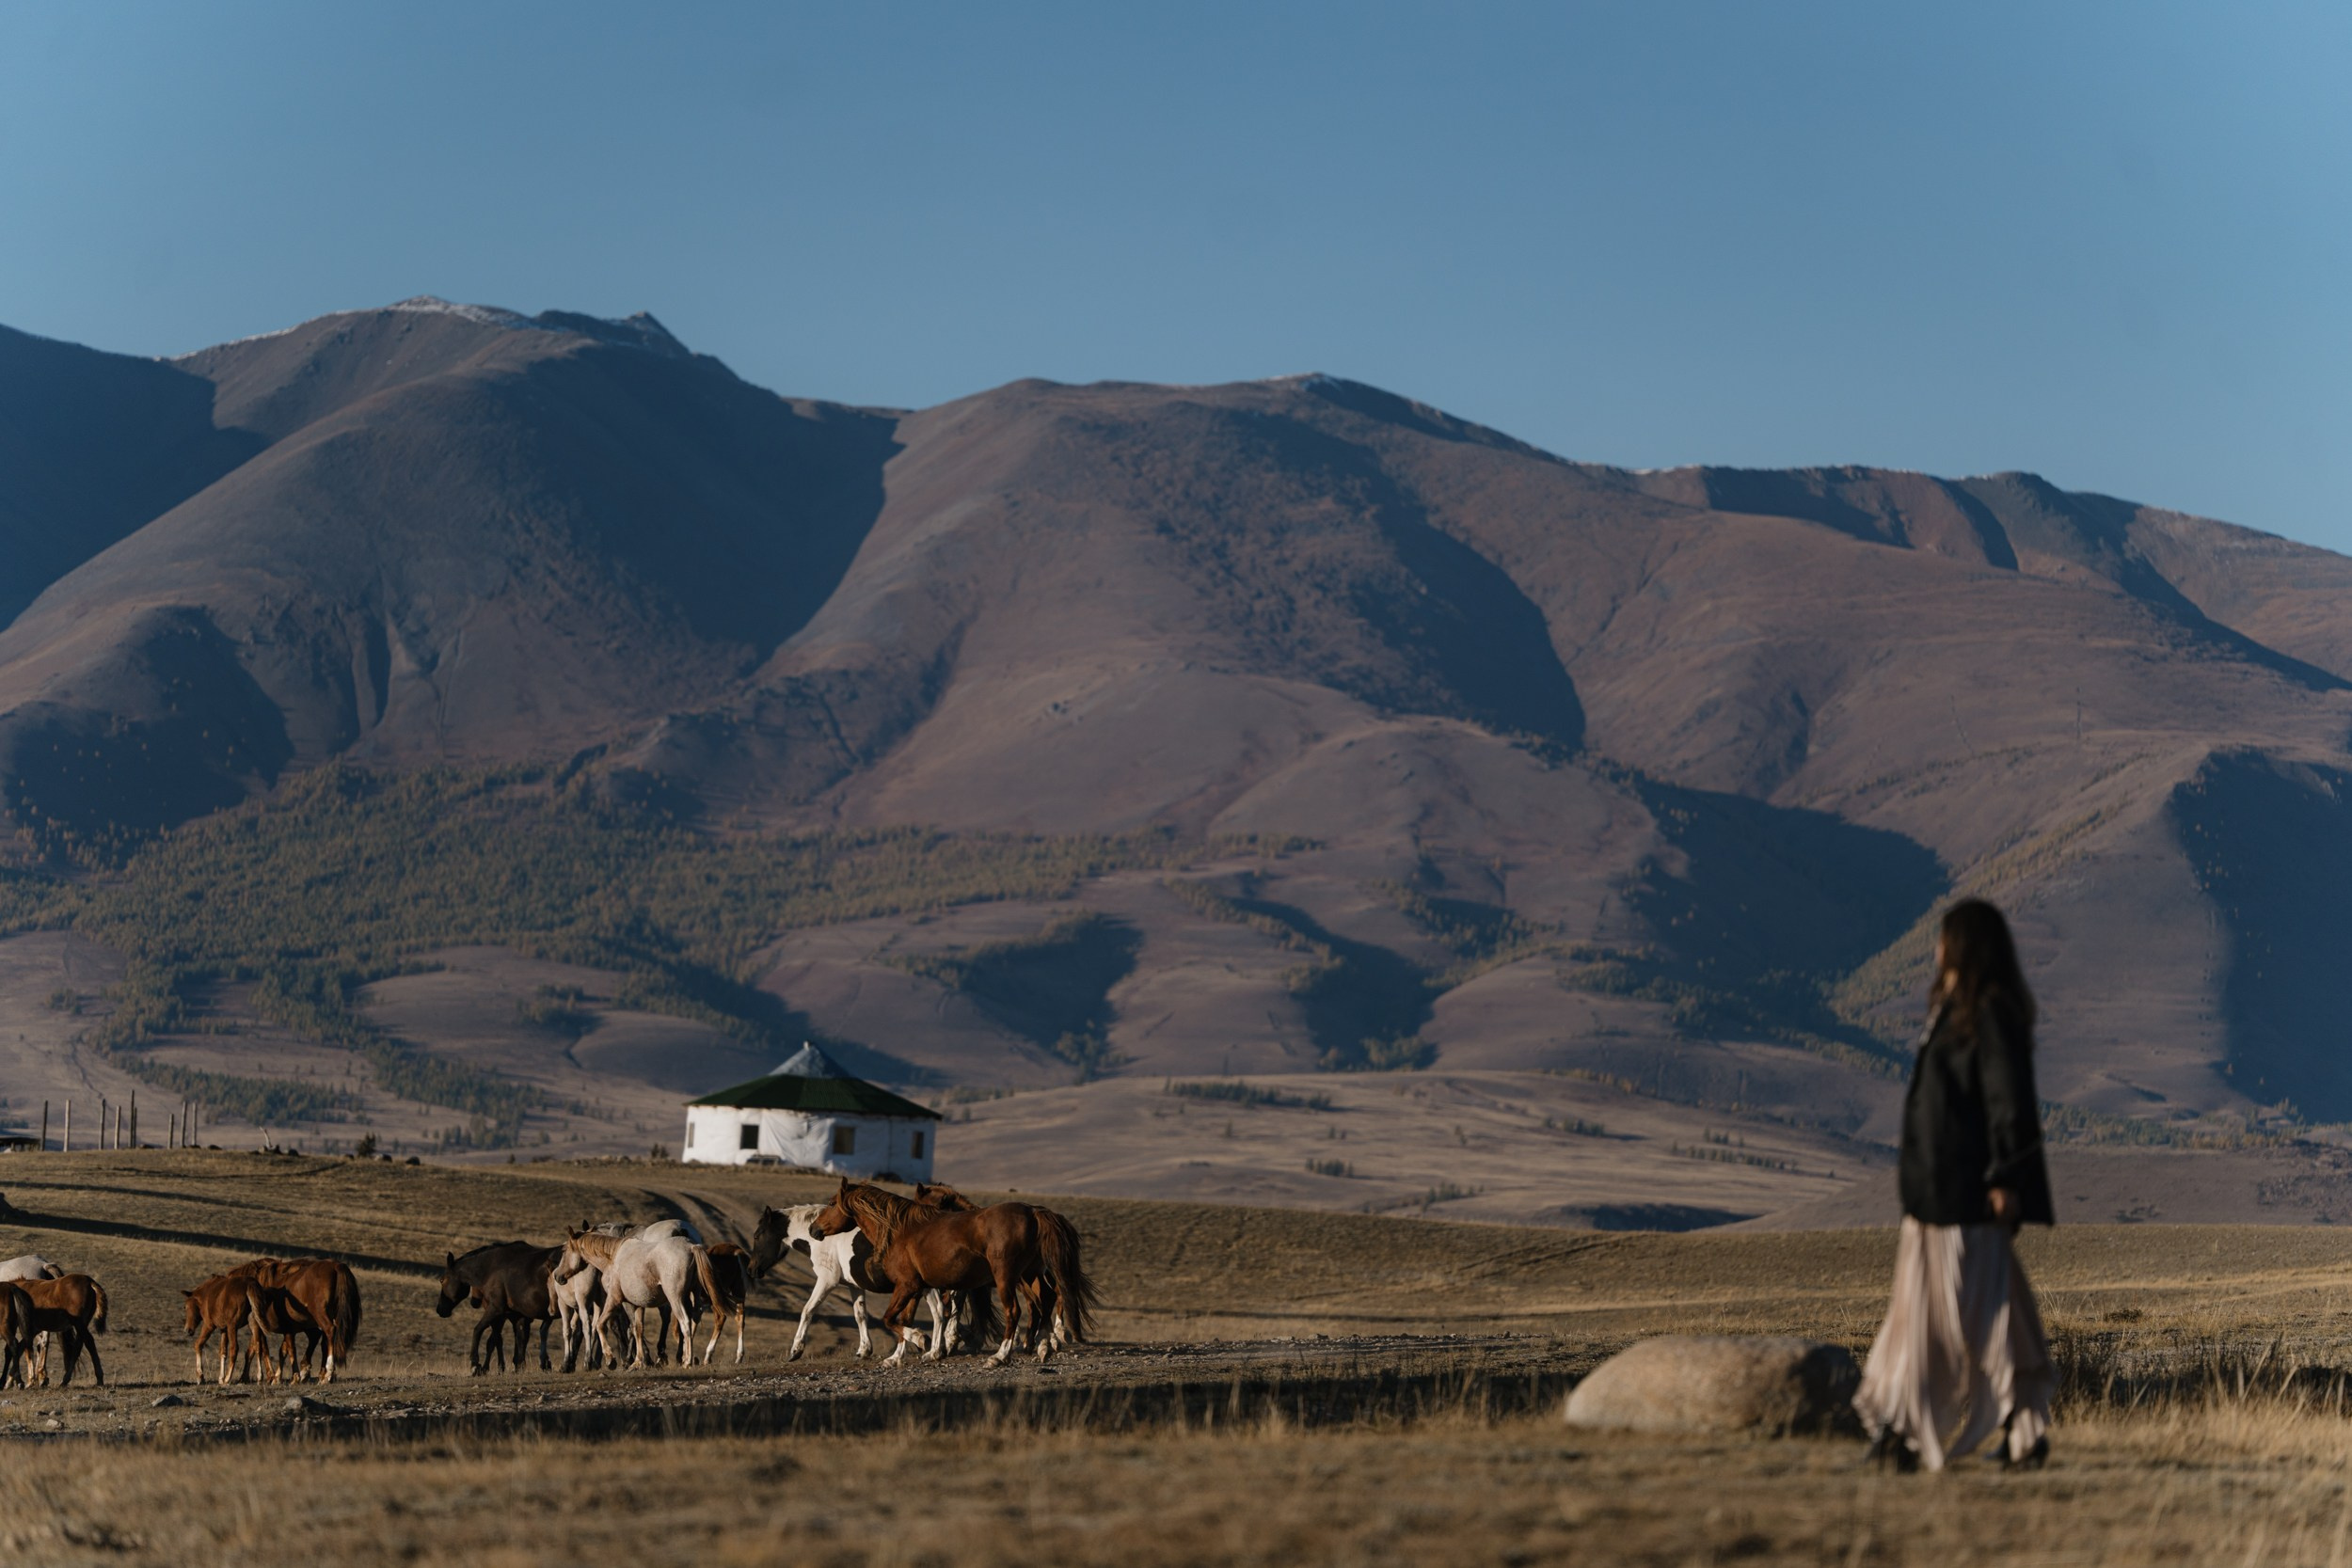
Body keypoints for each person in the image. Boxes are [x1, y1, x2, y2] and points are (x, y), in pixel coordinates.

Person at [1856, 897, 2055, 1472]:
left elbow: (2009, 1100)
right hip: (1939, 1193)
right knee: (1988, 1314)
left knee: (1944, 1319)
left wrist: (2005, 1177)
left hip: (1966, 1194)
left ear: (1962, 945)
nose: (1936, 948)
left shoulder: (1986, 1012)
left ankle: (1906, 1434)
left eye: (1944, 937)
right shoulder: (1957, 1010)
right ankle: (2017, 1429)